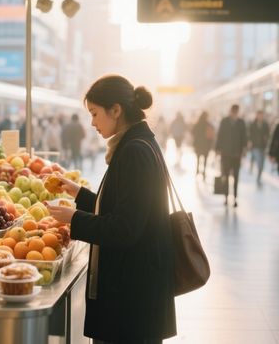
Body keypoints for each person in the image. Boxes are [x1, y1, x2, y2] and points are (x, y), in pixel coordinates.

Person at [46, 74, 176, 344]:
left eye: (95, 114)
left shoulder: (134, 152)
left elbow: (124, 228)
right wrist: (78, 193)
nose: (92, 122)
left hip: (132, 298)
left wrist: (75, 218)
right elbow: (123, 207)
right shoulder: (135, 144)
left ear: (116, 110)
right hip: (136, 290)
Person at [215, 105, 248, 207]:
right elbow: (220, 136)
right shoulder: (225, 121)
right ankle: (226, 197)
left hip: (236, 154)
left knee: (235, 177)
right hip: (226, 154)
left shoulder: (240, 122)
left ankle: (234, 198)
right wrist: (218, 149)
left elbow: (244, 137)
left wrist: (244, 148)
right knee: (226, 175)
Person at [249, 111, 271, 185]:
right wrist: (250, 141)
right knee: (259, 162)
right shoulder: (253, 124)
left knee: (262, 164)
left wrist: (266, 139)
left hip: (263, 146)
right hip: (255, 146)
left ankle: (259, 177)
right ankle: (258, 177)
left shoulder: (265, 125)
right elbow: (249, 134)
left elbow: (268, 134)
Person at [191, 111, 214, 181]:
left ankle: (197, 171)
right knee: (205, 160)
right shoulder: (209, 124)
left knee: (198, 159)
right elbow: (212, 136)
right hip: (206, 145)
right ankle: (203, 173)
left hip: (198, 145)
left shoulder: (198, 123)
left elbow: (192, 132)